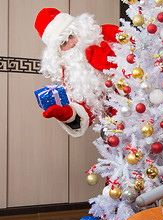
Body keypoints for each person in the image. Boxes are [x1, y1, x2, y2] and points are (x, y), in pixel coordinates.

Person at [34, 8, 120, 137]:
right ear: (58, 51)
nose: (72, 43)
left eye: (71, 35)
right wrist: (68, 114)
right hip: (118, 131)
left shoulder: (107, 33)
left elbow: (145, 54)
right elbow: (86, 107)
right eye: (63, 43)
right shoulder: (72, 72)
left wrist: (111, 65)